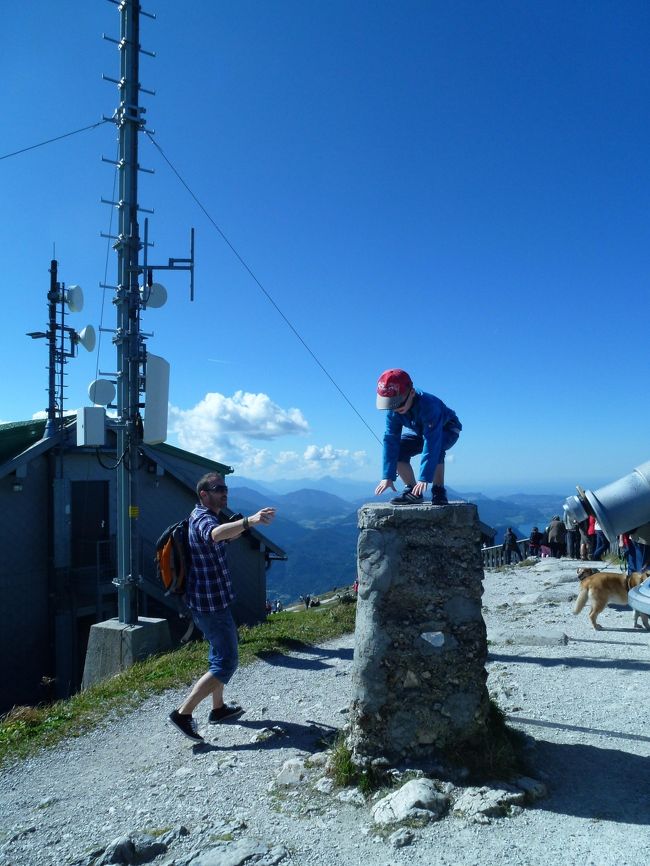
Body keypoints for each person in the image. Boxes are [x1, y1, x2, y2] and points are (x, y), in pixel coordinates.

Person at [169, 472, 276, 743]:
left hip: (210, 601)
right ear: (203, 494)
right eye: (218, 489)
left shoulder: (205, 515)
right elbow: (215, 534)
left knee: (219, 653)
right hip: (210, 604)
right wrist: (249, 520)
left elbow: (221, 537)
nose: (224, 493)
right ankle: (183, 713)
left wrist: (242, 527)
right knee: (227, 661)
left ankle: (218, 709)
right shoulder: (204, 518)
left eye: (225, 488)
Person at [374, 368, 462, 505]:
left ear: (412, 393)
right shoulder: (393, 411)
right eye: (390, 405)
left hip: (448, 429)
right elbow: (390, 440)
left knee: (437, 448)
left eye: (399, 404)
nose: (396, 409)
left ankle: (438, 490)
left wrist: (424, 478)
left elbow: (432, 443)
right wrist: (387, 476)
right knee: (399, 449)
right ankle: (413, 491)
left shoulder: (429, 406)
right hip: (422, 432)